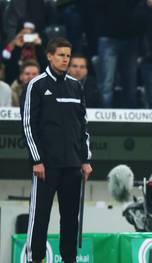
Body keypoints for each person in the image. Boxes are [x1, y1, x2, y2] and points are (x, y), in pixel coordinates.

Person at [20, 37, 92, 263]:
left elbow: (83, 126)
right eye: (61, 55)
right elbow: (28, 125)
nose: (65, 59)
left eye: (68, 55)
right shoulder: (37, 85)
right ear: (49, 56)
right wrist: (36, 160)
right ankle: (36, 259)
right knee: (39, 217)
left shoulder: (75, 86)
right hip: (46, 166)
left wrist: (85, 159)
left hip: (72, 165)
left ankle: (69, 260)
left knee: (70, 219)